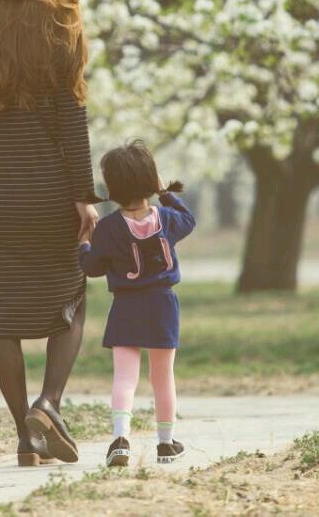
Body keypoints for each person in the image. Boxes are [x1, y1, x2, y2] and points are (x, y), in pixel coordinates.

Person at [0, 0, 103, 466]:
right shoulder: (60, 31)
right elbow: (72, 122)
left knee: (2, 319)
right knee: (73, 299)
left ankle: (26, 437)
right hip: (48, 195)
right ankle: (48, 404)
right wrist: (84, 196)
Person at [78, 140, 196, 467]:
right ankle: (166, 443)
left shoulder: (108, 228)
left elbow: (93, 268)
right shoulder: (168, 219)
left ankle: (120, 440)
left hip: (126, 306)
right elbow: (189, 219)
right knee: (163, 376)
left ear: (111, 187)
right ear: (151, 180)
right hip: (163, 305)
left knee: (124, 377)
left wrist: (84, 244)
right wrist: (164, 192)